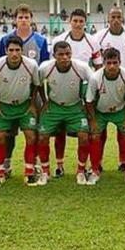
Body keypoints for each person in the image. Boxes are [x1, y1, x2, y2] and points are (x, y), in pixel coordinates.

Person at [0, 4, 49, 174]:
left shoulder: (40, 41)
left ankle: (32, 163)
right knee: (8, 132)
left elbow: (44, 68)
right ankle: (6, 163)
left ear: (31, 19)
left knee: (32, 130)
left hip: (33, 92)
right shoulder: (4, 40)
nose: (24, 20)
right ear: (15, 20)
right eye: (20, 17)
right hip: (10, 91)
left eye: (27, 17)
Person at [51, 8, 102, 177]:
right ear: (70, 22)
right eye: (75, 21)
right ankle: (59, 165)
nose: (78, 24)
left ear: (85, 23)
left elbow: (98, 66)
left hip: (83, 87)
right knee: (60, 129)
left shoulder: (92, 41)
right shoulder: (60, 39)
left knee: (84, 130)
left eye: (81, 21)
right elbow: (52, 67)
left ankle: (84, 165)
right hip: (63, 85)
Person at [37, 41, 92, 185]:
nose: (64, 57)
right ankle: (45, 171)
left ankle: (81, 171)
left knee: (84, 136)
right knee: (42, 137)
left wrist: (86, 103)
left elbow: (93, 84)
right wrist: (44, 100)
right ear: (54, 55)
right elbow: (36, 84)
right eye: (60, 54)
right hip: (53, 107)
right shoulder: (45, 68)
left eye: (68, 54)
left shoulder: (81, 67)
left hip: (75, 107)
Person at [0, 37, 40, 188]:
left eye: (17, 50)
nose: (14, 54)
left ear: (22, 51)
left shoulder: (31, 65)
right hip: (4, 106)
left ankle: (29, 173)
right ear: (6, 51)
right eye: (11, 50)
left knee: (31, 136)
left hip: (24, 107)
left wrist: (31, 104)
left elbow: (37, 85)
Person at [85, 48, 125, 185]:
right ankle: (95, 171)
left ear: (120, 62)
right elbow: (89, 101)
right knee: (95, 136)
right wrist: (92, 120)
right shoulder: (95, 78)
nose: (112, 66)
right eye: (108, 63)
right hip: (100, 112)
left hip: (120, 111)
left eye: (115, 63)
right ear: (103, 63)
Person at [95, 7, 125, 171]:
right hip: (105, 83)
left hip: (124, 84)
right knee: (101, 127)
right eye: (113, 16)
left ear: (123, 18)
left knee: (124, 126)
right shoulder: (99, 37)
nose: (116, 19)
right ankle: (98, 162)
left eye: (119, 17)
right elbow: (97, 61)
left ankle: (123, 160)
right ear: (108, 18)